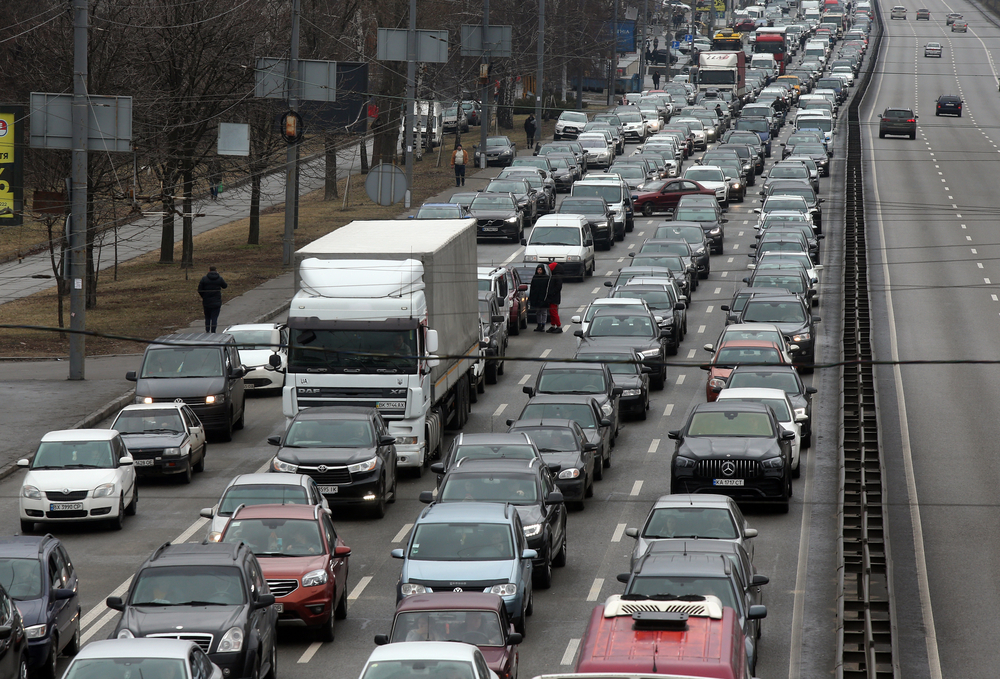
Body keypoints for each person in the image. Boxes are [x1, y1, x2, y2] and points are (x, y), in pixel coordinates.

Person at [197, 266, 228, 333]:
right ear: (216, 270)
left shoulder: (204, 279)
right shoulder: (219, 278)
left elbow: (200, 289)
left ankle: (207, 330)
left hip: (207, 301)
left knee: (207, 317)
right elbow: (225, 286)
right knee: (214, 317)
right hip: (216, 301)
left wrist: (204, 296)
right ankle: (213, 331)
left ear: (209, 270)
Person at [527, 264, 551, 332]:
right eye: (538, 270)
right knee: (538, 312)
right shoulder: (535, 277)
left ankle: (543, 325)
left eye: (540, 270)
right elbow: (532, 288)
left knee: (543, 312)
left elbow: (547, 288)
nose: (539, 271)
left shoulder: (546, 278)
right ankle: (539, 324)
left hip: (544, 298)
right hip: (536, 298)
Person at [545, 262, 563, 333]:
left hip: (554, 297)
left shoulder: (556, 276)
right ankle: (553, 325)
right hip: (553, 297)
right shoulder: (555, 275)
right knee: (552, 312)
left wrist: (551, 293)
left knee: (553, 312)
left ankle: (559, 326)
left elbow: (558, 287)